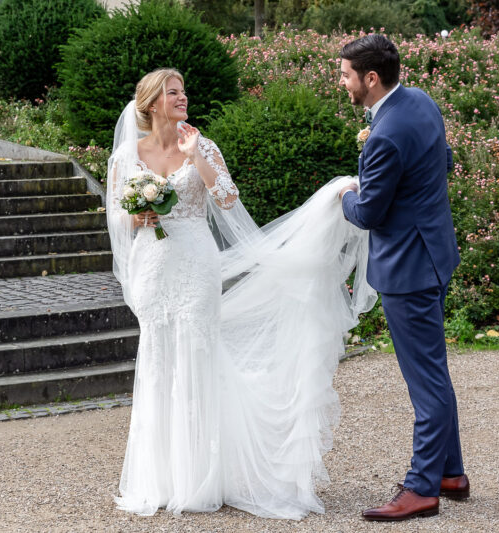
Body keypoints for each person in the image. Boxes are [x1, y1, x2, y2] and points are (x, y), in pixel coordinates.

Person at [106, 68, 377, 519]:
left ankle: (201, 478)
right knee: (158, 358)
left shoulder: (202, 144)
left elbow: (228, 200)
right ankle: (160, 478)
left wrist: (197, 159)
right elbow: (119, 214)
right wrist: (140, 217)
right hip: (153, 267)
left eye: (184, 91)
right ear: (152, 103)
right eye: (174, 93)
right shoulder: (128, 156)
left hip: (195, 262)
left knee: (196, 351)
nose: (183, 98)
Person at [337, 34, 469, 521]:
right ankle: (450, 473)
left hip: (409, 269)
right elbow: (446, 160)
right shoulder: (420, 101)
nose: (342, 82)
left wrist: (344, 196)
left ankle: (421, 489)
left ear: (371, 79)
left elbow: (369, 211)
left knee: (426, 380)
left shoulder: (387, 132)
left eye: (346, 74)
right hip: (435, 251)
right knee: (433, 369)